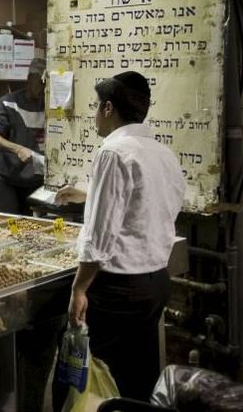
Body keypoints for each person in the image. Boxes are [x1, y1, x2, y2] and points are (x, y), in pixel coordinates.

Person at [56, 71, 185, 402]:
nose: (94, 115)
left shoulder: (113, 152)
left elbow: (99, 237)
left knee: (102, 383)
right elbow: (151, 204)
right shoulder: (162, 152)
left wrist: (79, 288)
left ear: (109, 108)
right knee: (138, 377)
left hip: (119, 291)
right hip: (155, 282)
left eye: (96, 106)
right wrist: (88, 194)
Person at [0, 58, 47, 215]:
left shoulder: (52, 106)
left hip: (38, 181)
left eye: (47, 83)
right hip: (9, 180)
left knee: (35, 231)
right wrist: (18, 149)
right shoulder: (8, 103)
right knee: (5, 226)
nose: (44, 87)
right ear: (29, 79)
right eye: (40, 82)